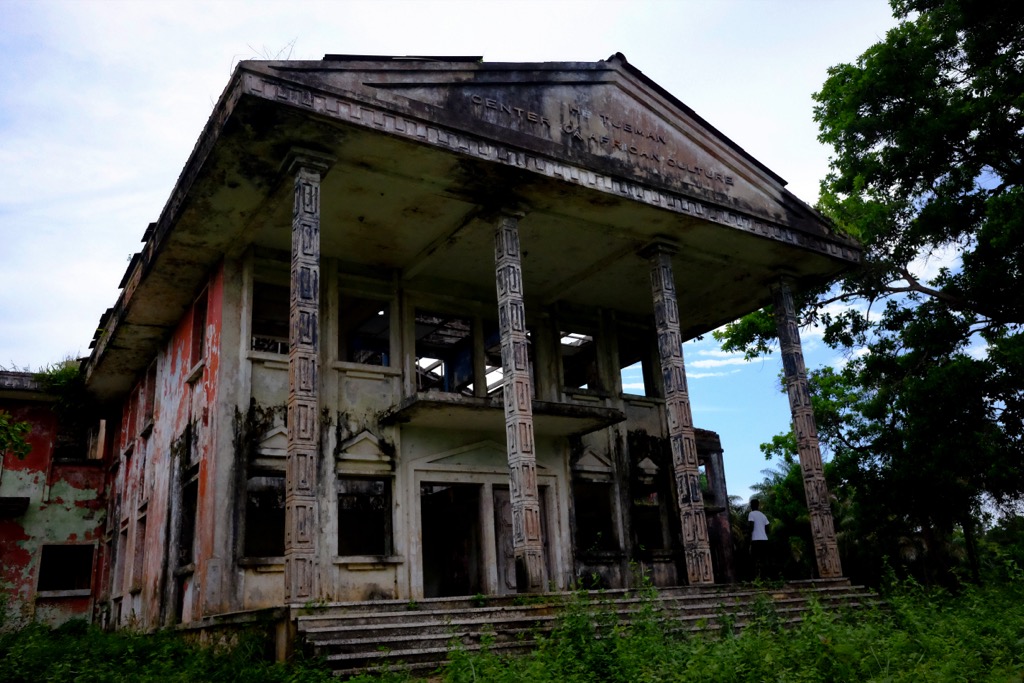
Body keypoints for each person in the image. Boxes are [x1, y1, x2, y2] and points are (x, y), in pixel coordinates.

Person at [748, 498, 770, 578]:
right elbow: (768, 529)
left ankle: (755, 578)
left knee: (754, 560)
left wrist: (749, 537)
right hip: (764, 540)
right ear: (758, 505)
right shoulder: (763, 515)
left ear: (751, 505)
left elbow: (751, 527)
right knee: (764, 560)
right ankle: (766, 577)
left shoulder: (751, 514)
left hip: (755, 540)